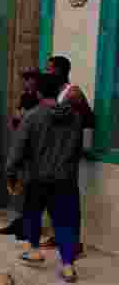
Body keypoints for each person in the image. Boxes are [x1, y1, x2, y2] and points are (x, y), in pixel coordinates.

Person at [6, 73, 83, 282]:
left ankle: (34, 250)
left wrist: (11, 173)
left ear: (39, 92)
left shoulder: (32, 116)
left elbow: (18, 148)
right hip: (65, 178)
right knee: (65, 222)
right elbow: (77, 149)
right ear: (58, 91)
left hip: (37, 177)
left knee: (32, 214)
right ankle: (68, 265)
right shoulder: (75, 117)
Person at [42, 55, 94, 255]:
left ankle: (74, 242)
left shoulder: (72, 93)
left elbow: (88, 119)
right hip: (53, 153)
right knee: (54, 197)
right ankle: (58, 235)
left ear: (59, 71)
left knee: (69, 199)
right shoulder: (53, 93)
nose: (47, 73)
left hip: (67, 154)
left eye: (49, 69)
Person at [0, 69, 41, 236]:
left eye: (30, 79)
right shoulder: (25, 97)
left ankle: (28, 224)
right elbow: (16, 119)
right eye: (25, 79)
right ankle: (19, 221)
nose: (27, 82)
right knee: (19, 186)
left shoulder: (40, 99)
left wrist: (23, 117)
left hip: (34, 149)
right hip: (21, 143)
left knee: (30, 187)